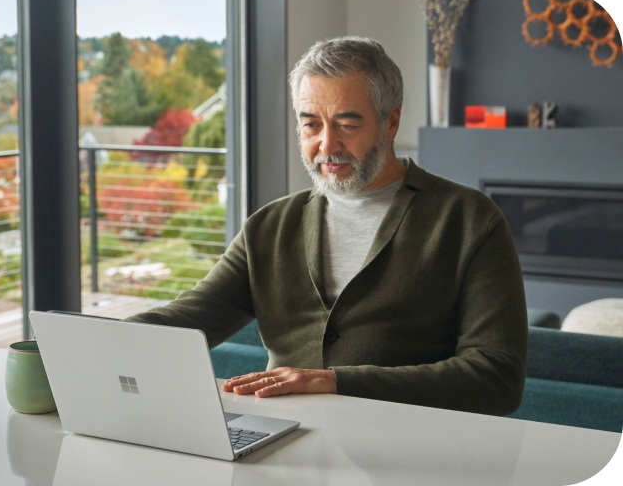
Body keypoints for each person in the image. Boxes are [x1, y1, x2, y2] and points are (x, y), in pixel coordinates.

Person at [124, 36, 528, 416]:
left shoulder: (469, 219)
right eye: (311, 124)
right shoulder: (269, 226)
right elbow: (188, 318)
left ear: (391, 122)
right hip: (281, 444)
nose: (327, 145)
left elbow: (497, 377)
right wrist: (82, 343)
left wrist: (336, 382)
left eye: (347, 125)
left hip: (412, 453)